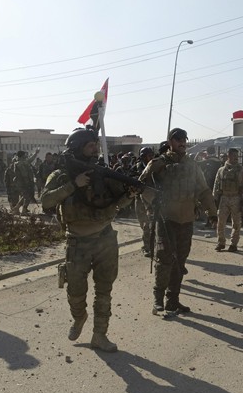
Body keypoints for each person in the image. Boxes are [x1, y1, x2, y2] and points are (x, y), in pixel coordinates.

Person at [41, 128, 136, 352]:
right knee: (75, 291)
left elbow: (114, 204)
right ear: (77, 148)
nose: (95, 149)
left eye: (96, 144)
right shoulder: (60, 175)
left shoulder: (103, 173)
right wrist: (74, 185)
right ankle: (79, 317)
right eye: (90, 145)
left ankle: (99, 335)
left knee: (104, 291)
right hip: (77, 242)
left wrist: (129, 195)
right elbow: (46, 201)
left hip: (105, 240)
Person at [139, 128, 217, 315]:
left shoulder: (192, 165)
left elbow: (204, 190)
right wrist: (153, 201)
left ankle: (173, 300)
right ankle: (158, 299)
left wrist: (212, 213)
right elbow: (141, 185)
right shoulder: (158, 163)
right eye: (178, 139)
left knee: (180, 260)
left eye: (184, 139)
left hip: (186, 219)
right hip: (166, 218)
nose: (182, 142)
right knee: (164, 258)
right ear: (170, 141)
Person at [213, 148, 243, 252]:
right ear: (228, 156)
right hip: (224, 198)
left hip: (236, 198)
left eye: (237, 156)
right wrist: (215, 198)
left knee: (236, 223)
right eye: (234, 156)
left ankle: (234, 244)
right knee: (221, 222)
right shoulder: (221, 170)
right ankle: (221, 242)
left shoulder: (241, 170)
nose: (236, 158)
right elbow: (216, 184)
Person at [132, 147, 155, 256]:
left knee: (148, 224)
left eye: (151, 155)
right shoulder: (136, 168)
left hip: (150, 198)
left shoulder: (154, 167)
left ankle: (148, 247)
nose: (151, 157)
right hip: (139, 199)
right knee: (143, 223)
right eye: (148, 155)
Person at [11, 148, 40, 215]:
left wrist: (35, 153)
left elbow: (30, 160)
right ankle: (23, 210)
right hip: (24, 183)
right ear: (21, 156)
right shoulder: (20, 163)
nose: (26, 156)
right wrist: (28, 183)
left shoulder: (21, 162)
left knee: (25, 196)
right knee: (27, 196)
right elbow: (24, 174)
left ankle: (16, 208)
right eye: (24, 155)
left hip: (24, 183)